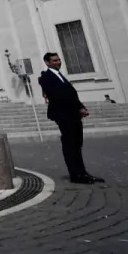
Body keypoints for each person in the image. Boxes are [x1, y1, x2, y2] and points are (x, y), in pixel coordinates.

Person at [38, 52, 103, 184]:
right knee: (70, 145)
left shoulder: (59, 75)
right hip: (63, 114)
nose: (58, 62)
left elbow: (71, 94)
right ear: (47, 62)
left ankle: (82, 173)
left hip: (72, 113)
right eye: (55, 60)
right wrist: (77, 108)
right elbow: (59, 96)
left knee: (77, 144)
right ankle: (76, 175)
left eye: (59, 60)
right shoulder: (46, 77)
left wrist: (81, 107)